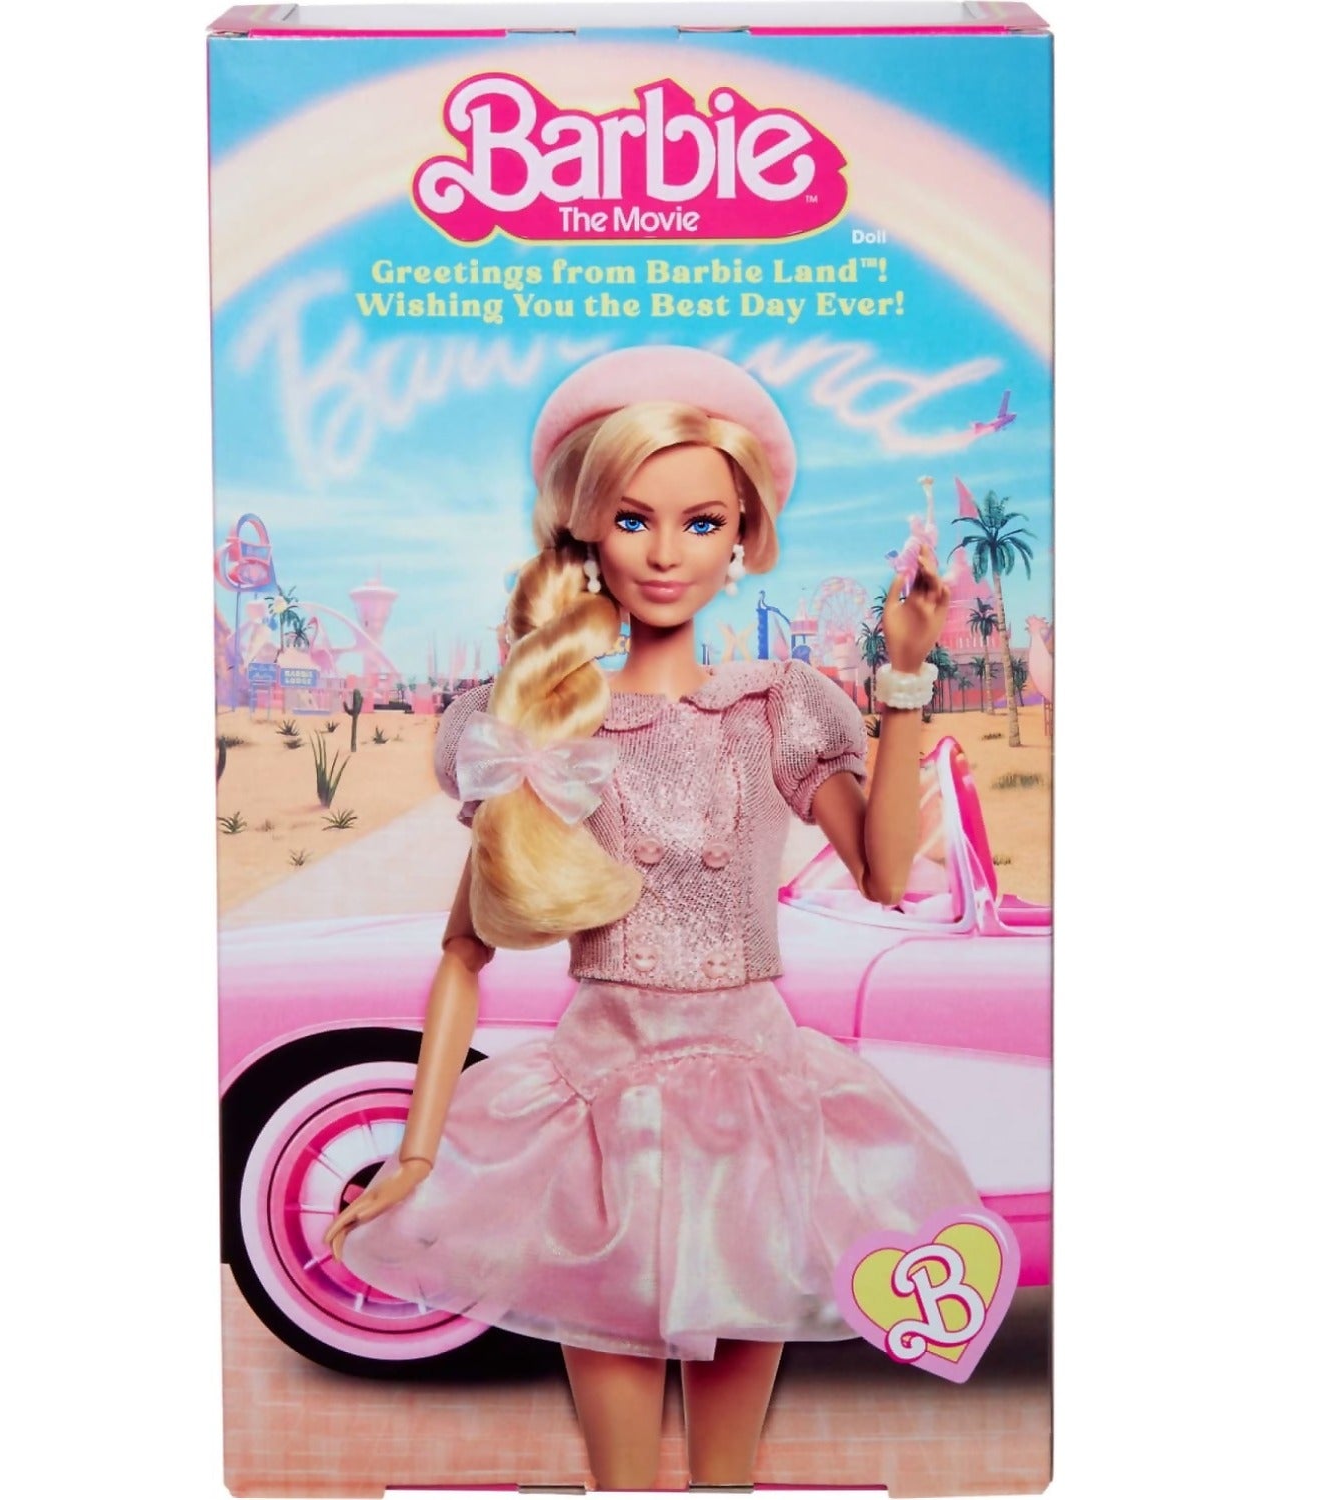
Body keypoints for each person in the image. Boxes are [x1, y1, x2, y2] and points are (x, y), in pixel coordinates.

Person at [324, 347, 980, 1490]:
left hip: (755, 1099)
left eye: (702, 523)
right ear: (590, 533)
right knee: (619, 1476)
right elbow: (463, 953)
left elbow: (884, 873)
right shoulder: (550, 726)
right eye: (634, 520)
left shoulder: (775, 709)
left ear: (744, 540)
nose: (667, 553)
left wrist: (906, 678)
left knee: (727, 1476)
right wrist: (419, 1149)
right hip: (599, 1105)